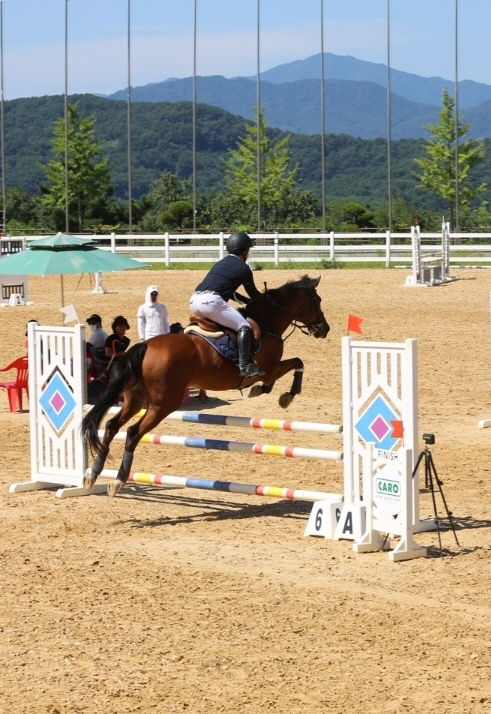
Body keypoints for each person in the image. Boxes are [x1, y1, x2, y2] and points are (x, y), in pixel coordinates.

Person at [189, 232, 266, 377]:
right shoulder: (243, 268)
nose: (248, 254)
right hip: (211, 302)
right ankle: (244, 366)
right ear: (244, 251)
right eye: (248, 251)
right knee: (244, 326)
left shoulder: (221, 263)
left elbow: (230, 292)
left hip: (195, 301)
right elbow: (254, 294)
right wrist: (265, 299)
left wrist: (246, 301)